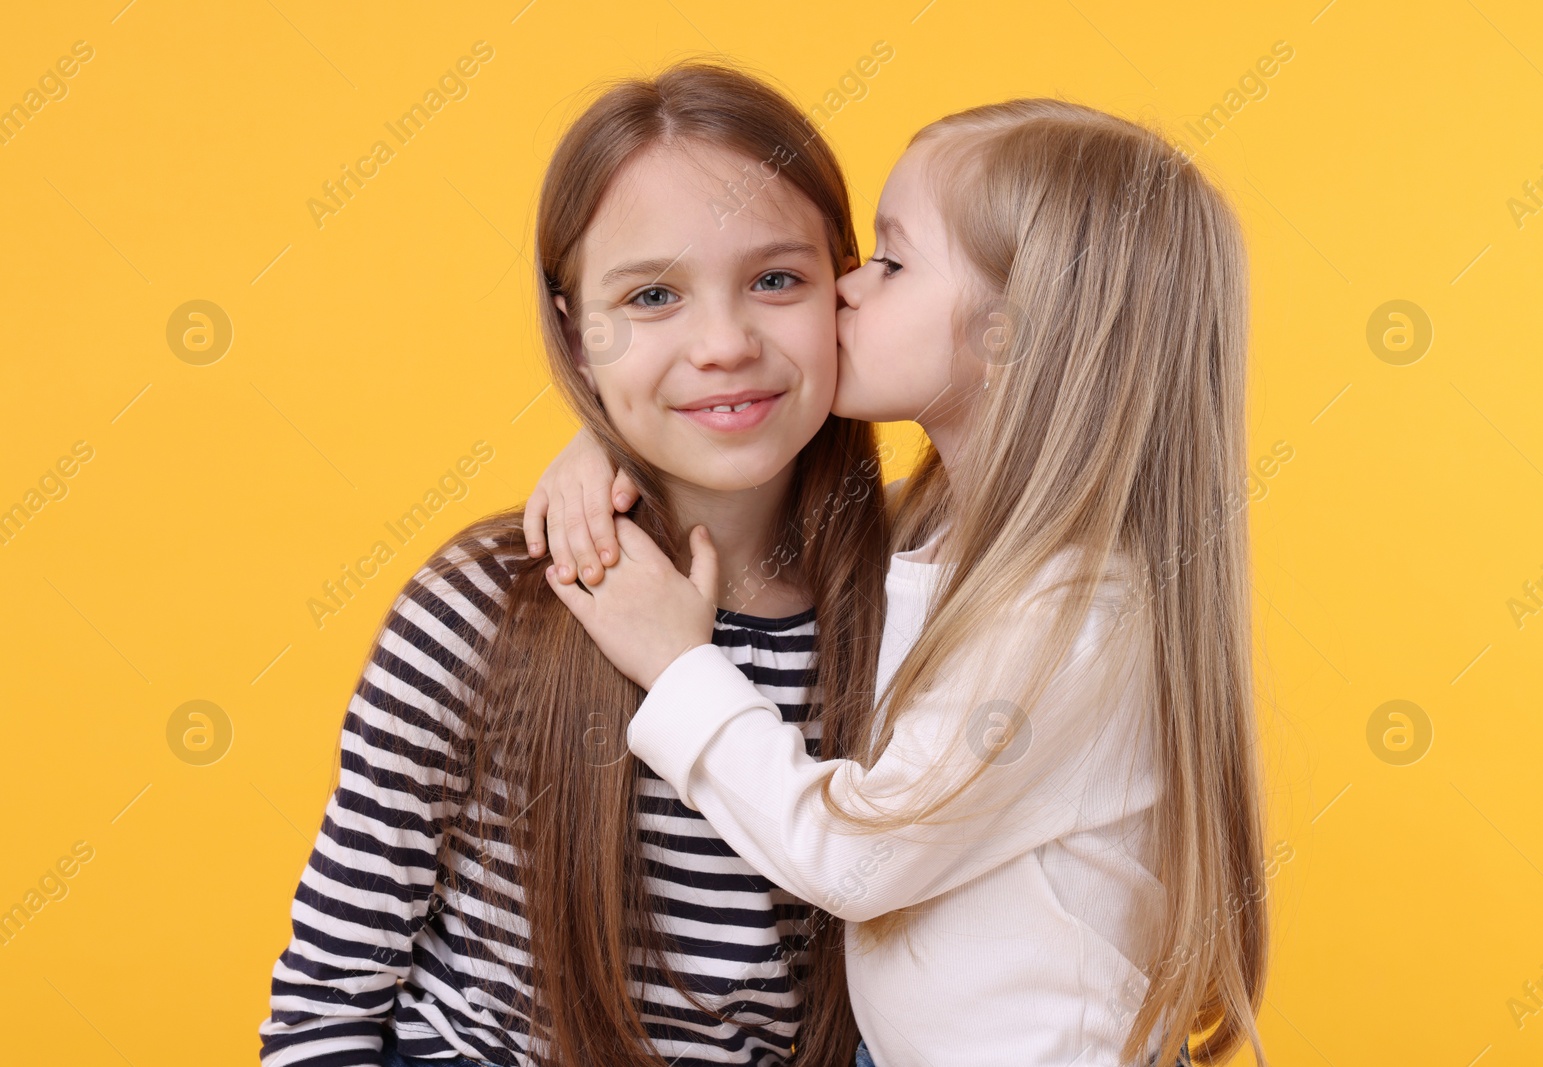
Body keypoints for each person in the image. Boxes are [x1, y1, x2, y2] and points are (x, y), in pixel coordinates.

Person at [531, 98, 1266, 1066]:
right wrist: (609, 446)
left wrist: (676, 662)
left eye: (891, 260)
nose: (843, 288)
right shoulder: (935, 533)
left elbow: (856, 855)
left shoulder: (1076, 611)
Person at [259, 62, 891, 1067]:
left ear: (848, 289)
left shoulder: (919, 610)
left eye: (776, 279)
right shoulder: (481, 607)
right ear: (572, 330)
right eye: (652, 295)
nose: (723, 342)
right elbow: (320, 1013)